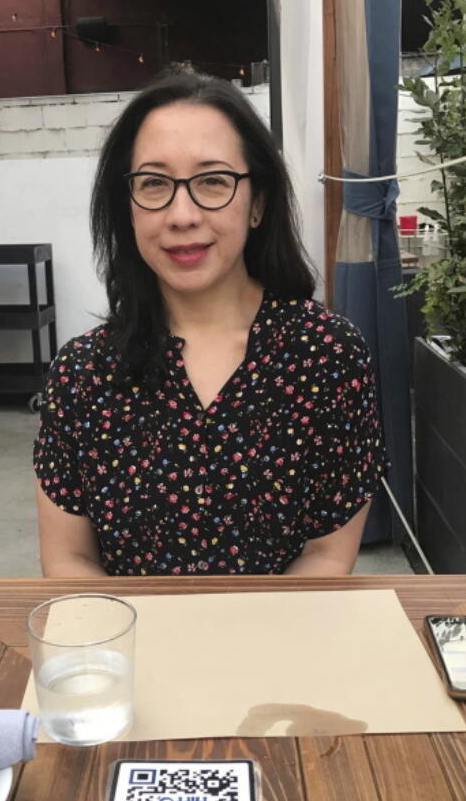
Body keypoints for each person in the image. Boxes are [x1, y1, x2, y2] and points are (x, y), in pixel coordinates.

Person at [34, 68, 386, 576]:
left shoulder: (326, 354)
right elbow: (70, 559)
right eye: (154, 184)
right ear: (127, 207)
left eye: (213, 181)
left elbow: (326, 555)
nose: (182, 214)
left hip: (280, 642)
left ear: (258, 201)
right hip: (135, 647)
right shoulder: (83, 372)